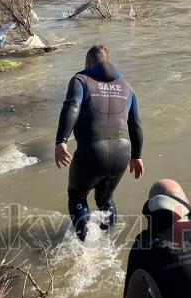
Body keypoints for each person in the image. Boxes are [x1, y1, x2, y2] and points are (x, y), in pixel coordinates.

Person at [55, 45, 144, 241]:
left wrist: (61, 141)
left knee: (77, 196)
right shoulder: (127, 87)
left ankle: (85, 246)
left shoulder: (81, 80)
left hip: (92, 151)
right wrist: (137, 156)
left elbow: (73, 106)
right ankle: (107, 244)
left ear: (88, 63)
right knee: (105, 200)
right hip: (122, 151)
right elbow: (136, 123)